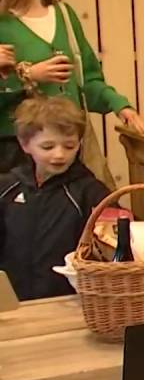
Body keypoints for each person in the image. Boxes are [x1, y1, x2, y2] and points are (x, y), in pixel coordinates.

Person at [0, 0, 144, 176]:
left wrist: (120, 105)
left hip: (67, 150)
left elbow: (87, 79)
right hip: (13, 156)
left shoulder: (64, 15)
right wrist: (29, 75)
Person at [0, 96, 109, 300]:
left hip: (68, 301)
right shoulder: (8, 187)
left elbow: (113, 243)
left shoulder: (90, 191)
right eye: (48, 147)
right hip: (12, 302)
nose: (59, 155)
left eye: (69, 146)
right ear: (25, 144)